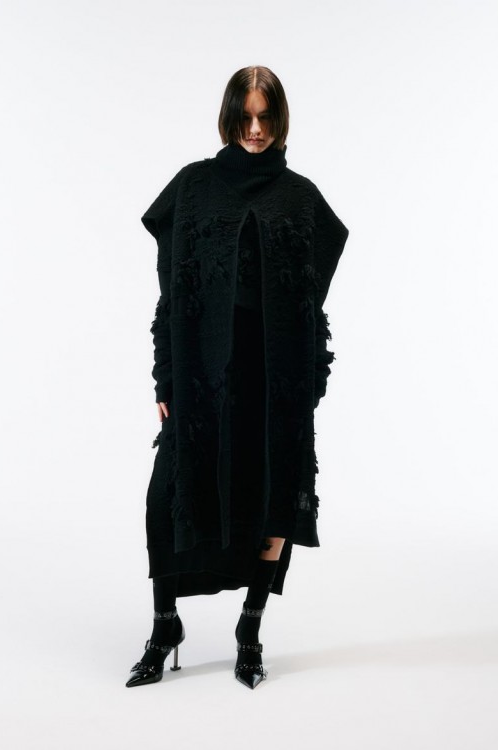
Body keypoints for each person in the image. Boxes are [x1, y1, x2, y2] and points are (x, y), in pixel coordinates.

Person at [126, 65, 349, 690]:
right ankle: (164, 626)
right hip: (202, 374)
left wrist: (310, 382)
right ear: (229, 118)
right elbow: (171, 296)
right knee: (168, 496)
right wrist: (166, 380)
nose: (255, 129)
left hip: (274, 379)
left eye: (266, 117)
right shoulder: (193, 187)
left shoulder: (300, 198)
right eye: (245, 117)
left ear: (280, 121)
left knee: (272, 498)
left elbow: (312, 303)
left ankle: (250, 630)